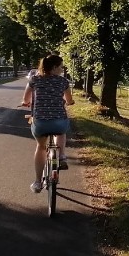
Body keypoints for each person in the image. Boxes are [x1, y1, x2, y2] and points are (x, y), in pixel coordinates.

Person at [20, 54, 74, 193]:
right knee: (61, 132)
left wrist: (26, 103)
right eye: (61, 67)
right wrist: (70, 102)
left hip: (41, 122)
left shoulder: (34, 79)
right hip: (59, 122)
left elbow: (26, 98)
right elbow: (69, 100)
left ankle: (38, 182)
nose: (62, 69)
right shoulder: (63, 81)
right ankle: (61, 155)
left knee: (41, 146)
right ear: (55, 67)